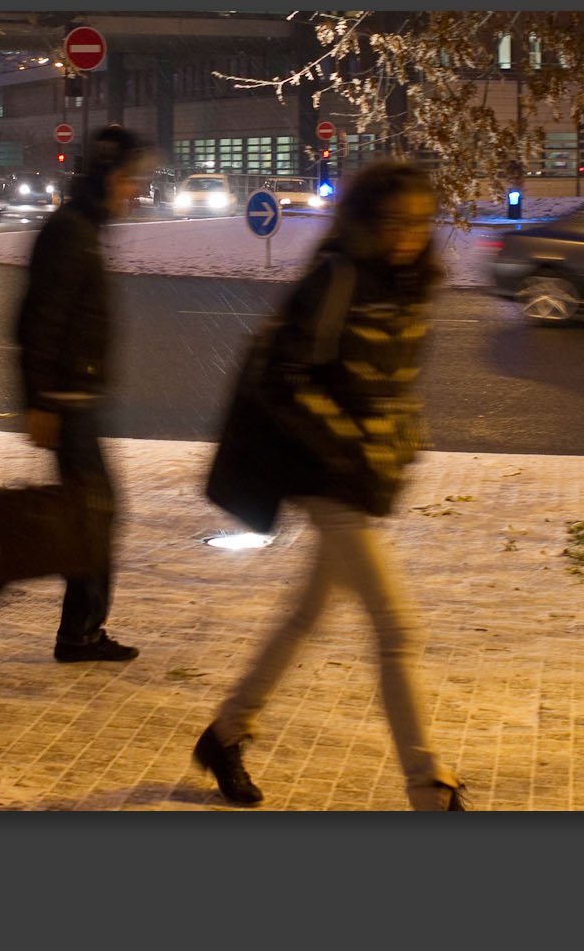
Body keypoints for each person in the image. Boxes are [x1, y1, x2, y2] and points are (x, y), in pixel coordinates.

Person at [193, 159, 467, 810]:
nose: (408, 232)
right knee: (396, 630)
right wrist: (349, 442)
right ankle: (427, 787)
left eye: (420, 221)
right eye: (394, 220)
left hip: (361, 474)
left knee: (306, 615)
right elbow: (285, 380)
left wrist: (399, 440)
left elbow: (394, 385)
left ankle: (226, 732)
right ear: (366, 220)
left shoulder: (411, 284)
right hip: (324, 474)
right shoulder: (337, 277)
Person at [0, 125, 151, 662]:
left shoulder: (82, 229)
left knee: (87, 515)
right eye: (129, 180)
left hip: (77, 398)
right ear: (107, 178)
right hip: (67, 402)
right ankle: (73, 633)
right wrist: (43, 400)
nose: (136, 192)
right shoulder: (69, 232)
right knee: (89, 515)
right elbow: (38, 322)